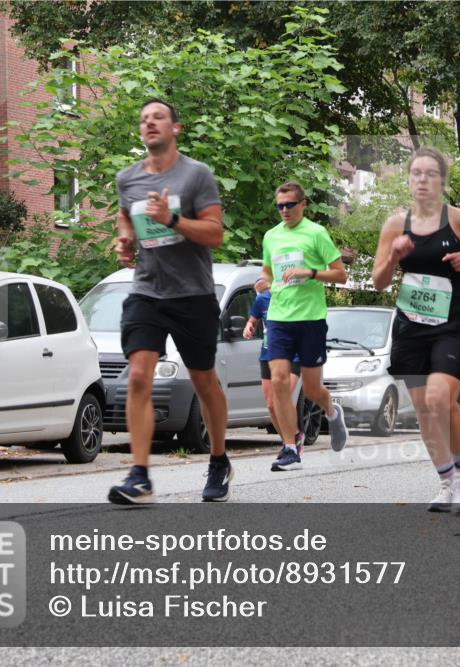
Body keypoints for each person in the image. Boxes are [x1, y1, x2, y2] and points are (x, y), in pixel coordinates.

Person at [108, 98, 232, 504]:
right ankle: (140, 476)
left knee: (204, 381)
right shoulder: (128, 178)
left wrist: (173, 220)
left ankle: (218, 459)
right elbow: (126, 215)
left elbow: (215, 234)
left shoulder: (196, 175)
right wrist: (124, 238)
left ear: (175, 128)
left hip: (192, 293)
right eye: (143, 119)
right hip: (147, 290)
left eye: (158, 117)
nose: (149, 123)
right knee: (140, 376)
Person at [371, 147, 460, 513]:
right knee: (423, 410)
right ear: (409, 180)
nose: (423, 180)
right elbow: (379, 282)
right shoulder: (395, 224)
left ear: (442, 181)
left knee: (439, 400)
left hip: (453, 324)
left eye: (430, 174)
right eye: (416, 174)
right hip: (410, 326)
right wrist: (395, 257)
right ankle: (447, 483)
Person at [261, 182, 349, 471]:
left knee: (312, 389)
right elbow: (267, 271)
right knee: (278, 381)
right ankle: (289, 447)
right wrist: (263, 282)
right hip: (279, 318)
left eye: (289, 205)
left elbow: (341, 275)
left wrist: (309, 272)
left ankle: (332, 413)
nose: (284, 210)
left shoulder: (316, 233)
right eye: (280, 206)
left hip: (310, 318)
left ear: (303, 204)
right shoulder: (271, 236)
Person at [243, 276, 302, 443]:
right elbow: (252, 321)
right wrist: (248, 328)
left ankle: (291, 443)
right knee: (271, 405)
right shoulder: (262, 299)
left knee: (281, 399)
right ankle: (289, 442)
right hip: (268, 355)